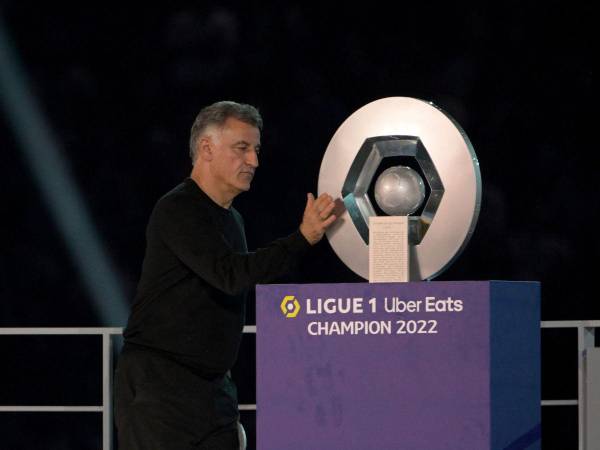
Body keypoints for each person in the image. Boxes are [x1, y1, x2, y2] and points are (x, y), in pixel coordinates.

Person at [114, 100, 337, 450]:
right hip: (159, 390)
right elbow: (230, 275)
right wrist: (302, 239)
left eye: (256, 150)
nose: (254, 161)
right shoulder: (177, 209)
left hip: (214, 392)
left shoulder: (233, 220)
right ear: (206, 148)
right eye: (242, 148)